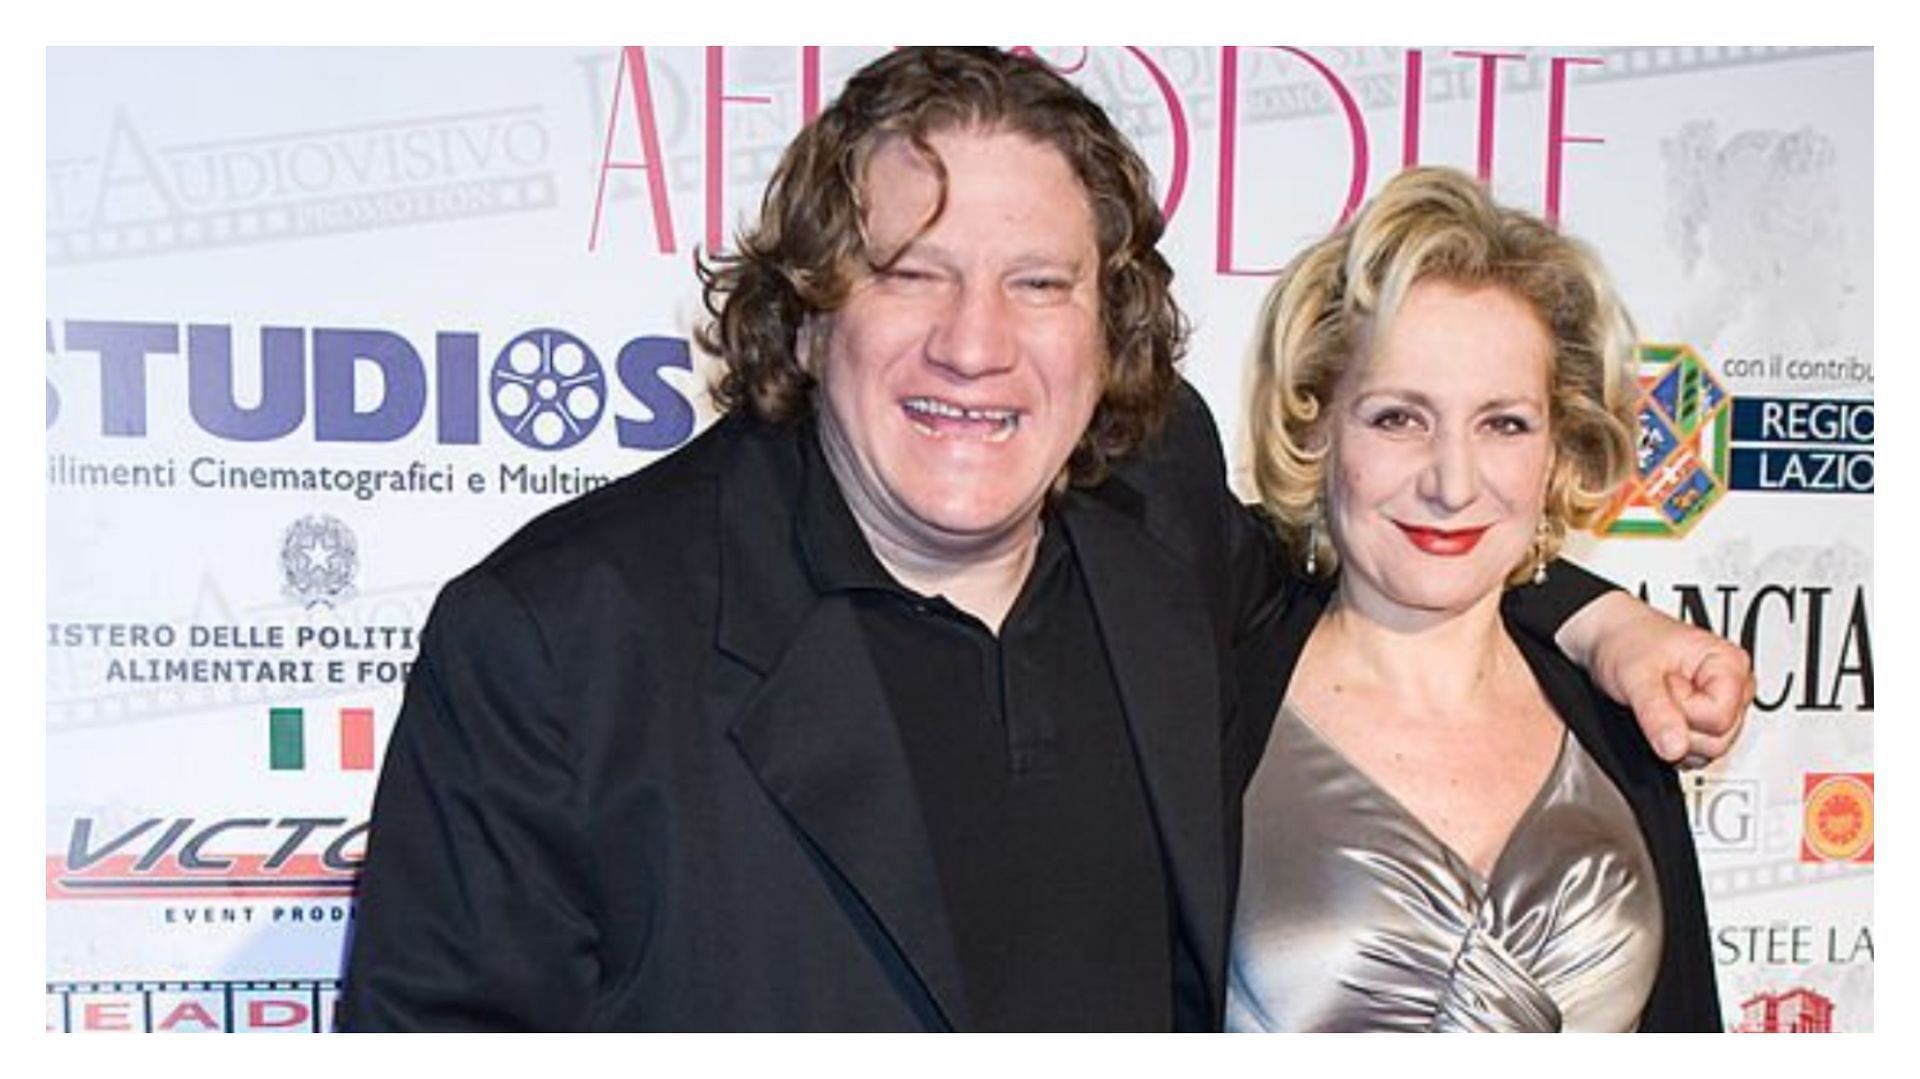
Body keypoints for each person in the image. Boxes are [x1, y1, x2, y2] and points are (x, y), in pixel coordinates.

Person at [339, 49, 1746, 1032]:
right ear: (811, 303)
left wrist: (1607, 622)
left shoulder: (1164, 507)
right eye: (914, 271)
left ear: (1108, 322)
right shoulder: (558, 638)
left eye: (1038, 282)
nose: (976, 344)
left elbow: (1402, 546)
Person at [1226, 167, 1720, 1032]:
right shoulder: (1211, 702)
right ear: (1315, 426)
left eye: (1503, 423)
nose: (1453, 483)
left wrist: (1608, 621)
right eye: (1397, 418)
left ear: (1556, 450)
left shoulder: (1620, 717)